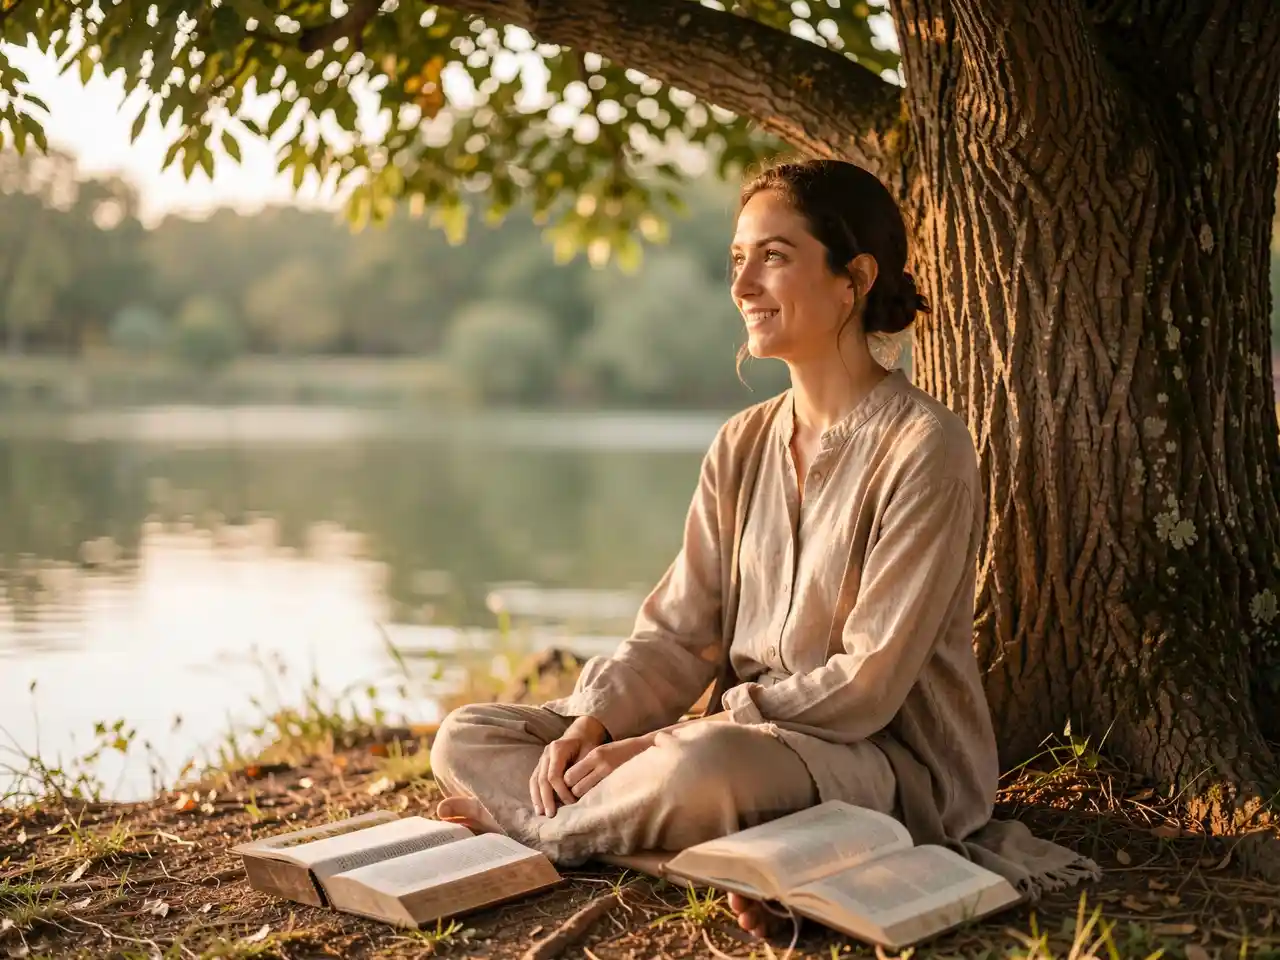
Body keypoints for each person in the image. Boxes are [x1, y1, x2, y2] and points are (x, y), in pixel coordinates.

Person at [430, 158, 1097, 941]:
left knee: (700, 769)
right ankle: (667, 842)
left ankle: (540, 833)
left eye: (774, 257)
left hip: (878, 761)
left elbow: (868, 686)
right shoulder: (741, 443)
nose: (743, 286)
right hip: (727, 750)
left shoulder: (925, 446)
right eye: (737, 261)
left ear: (853, 279)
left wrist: (677, 737)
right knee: (470, 735)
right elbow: (678, 637)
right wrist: (599, 726)